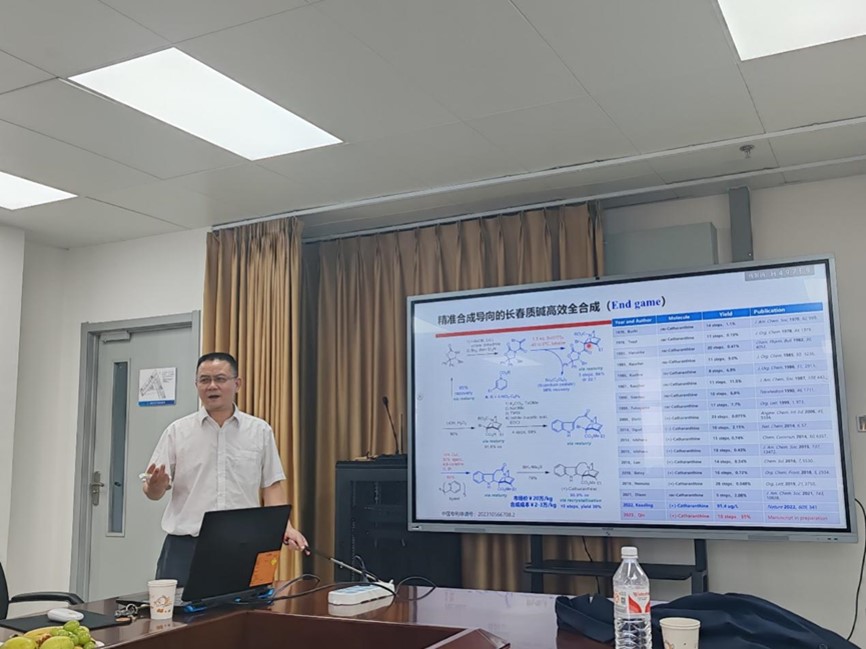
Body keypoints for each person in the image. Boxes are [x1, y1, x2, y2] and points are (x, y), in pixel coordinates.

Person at [143, 351, 307, 584]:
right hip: (186, 548)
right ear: (196, 385)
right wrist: (154, 486)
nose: (212, 386)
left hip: (243, 546)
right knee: (176, 609)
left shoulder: (259, 431)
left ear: (237, 384)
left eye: (220, 379)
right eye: (204, 380)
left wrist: (285, 527)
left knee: (247, 607)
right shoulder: (177, 432)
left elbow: (271, 485)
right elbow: (153, 492)